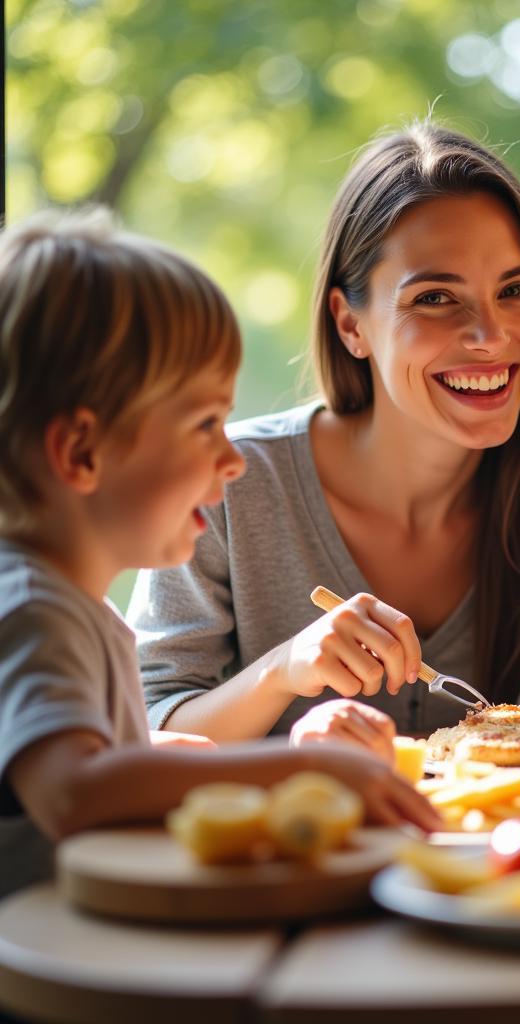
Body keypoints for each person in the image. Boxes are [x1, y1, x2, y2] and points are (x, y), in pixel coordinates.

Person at [129, 121, 520, 746]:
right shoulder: (229, 481)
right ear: (350, 324)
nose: (491, 336)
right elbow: (144, 726)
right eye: (435, 298)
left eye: (517, 290)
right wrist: (283, 671)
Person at [0, 210, 439, 899]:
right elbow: (72, 795)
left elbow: (78, 776)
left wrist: (157, 757)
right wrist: (291, 774)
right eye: (206, 423)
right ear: (81, 452)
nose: (233, 460)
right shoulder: (34, 610)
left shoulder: (65, 610)